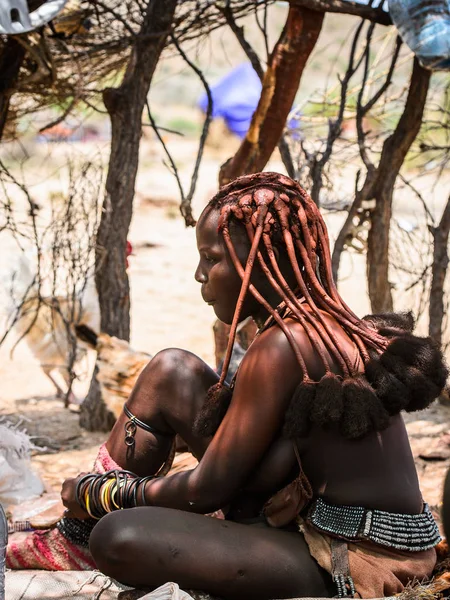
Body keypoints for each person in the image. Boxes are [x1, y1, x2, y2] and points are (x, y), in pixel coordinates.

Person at [61, 172, 447, 599]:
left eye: (211, 259)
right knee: (172, 371)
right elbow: (263, 464)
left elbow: (204, 490)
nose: (198, 275)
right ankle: (73, 536)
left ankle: (82, 525)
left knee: (120, 535)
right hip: (305, 521)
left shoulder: (285, 345)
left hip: (355, 559)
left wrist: (99, 492)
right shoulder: (309, 329)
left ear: (261, 263)